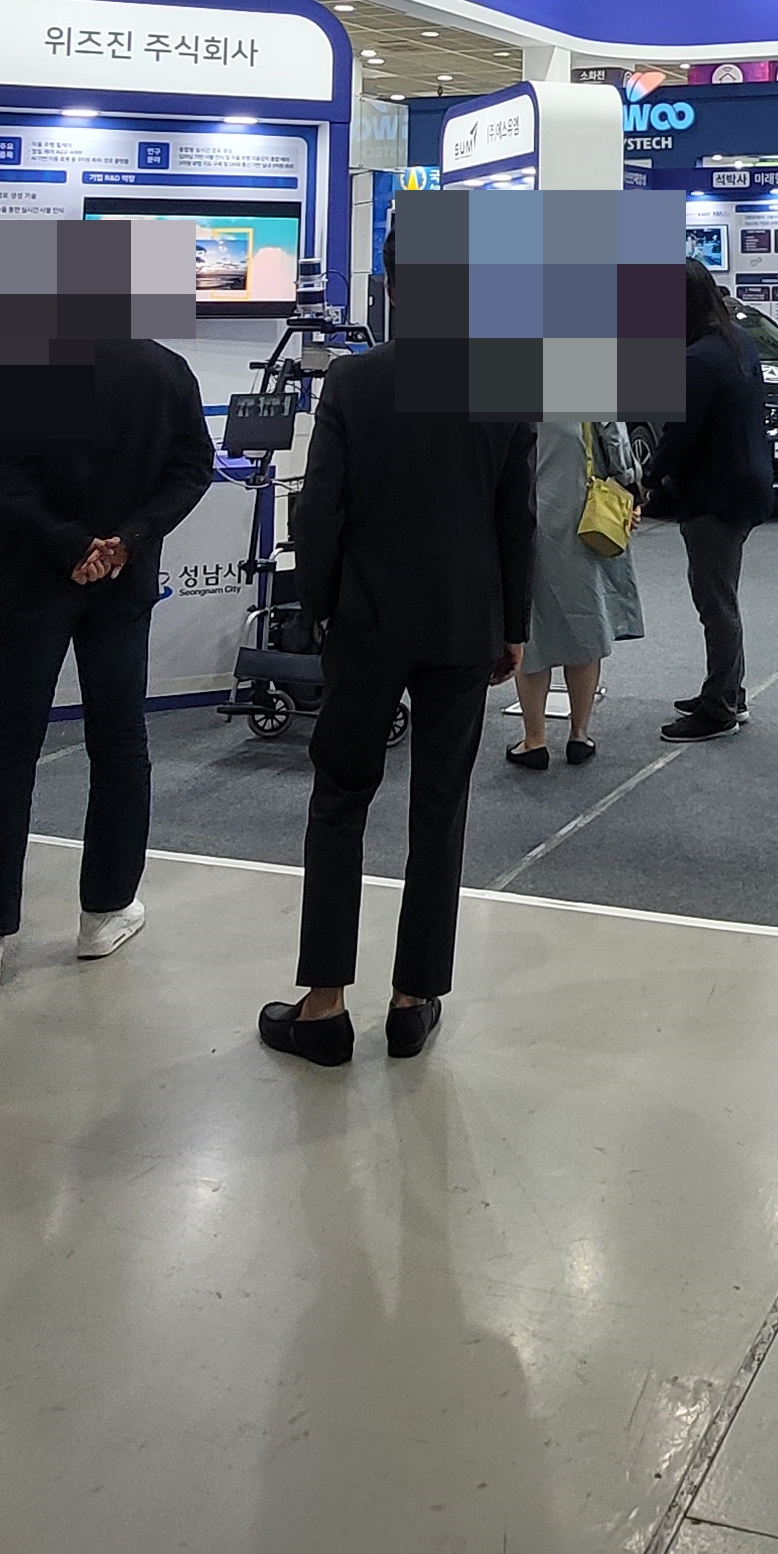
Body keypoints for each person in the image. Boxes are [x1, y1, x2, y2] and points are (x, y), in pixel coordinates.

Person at [263, 320, 532, 1065]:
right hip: (463, 622)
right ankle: (413, 1000)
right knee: (441, 807)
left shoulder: (353, 380)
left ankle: (324, 1005)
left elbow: (321, 507)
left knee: (339, 800)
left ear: (392, 288)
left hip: (366, 618)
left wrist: (320, 607)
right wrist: (512, 624)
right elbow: (516, 515)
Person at [0, 324, 214, 994]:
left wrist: (67, 543)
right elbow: (191, 466)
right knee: (119, 741)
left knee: (6, 750)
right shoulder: (162, 367)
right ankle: (106, 911)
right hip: (122, 579)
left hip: (29, 580)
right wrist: (128, 539)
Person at [650, 262, 775, 741]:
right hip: (747, 483)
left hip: (714, 494)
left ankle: (719, 709)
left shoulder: (698, 359)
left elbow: (679, 434)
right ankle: (726, 691)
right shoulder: (738, 342)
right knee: (724, 597)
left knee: (715, 604)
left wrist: (645, 480)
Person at [509, 420, 638, 769]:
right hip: (580, 517)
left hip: (522, 518)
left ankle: (534, 740)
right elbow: (615, 442)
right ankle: (579, 735)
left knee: (530, 630)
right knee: (585, 625)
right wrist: (631, 485)